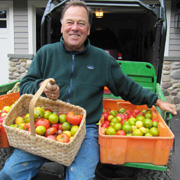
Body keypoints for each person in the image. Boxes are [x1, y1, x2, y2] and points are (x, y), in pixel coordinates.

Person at [0, 0, 177, 180]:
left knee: (80, 178)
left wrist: (157, 100)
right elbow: (25, 86)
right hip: (46, 126)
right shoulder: (46, 53)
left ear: (88, 29)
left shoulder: (102, 60)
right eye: (69, 22)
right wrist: (41, 86)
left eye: (81, 23)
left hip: (86, 129)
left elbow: (127, 87)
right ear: (61, 27)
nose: (74, 28)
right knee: (10, 173)